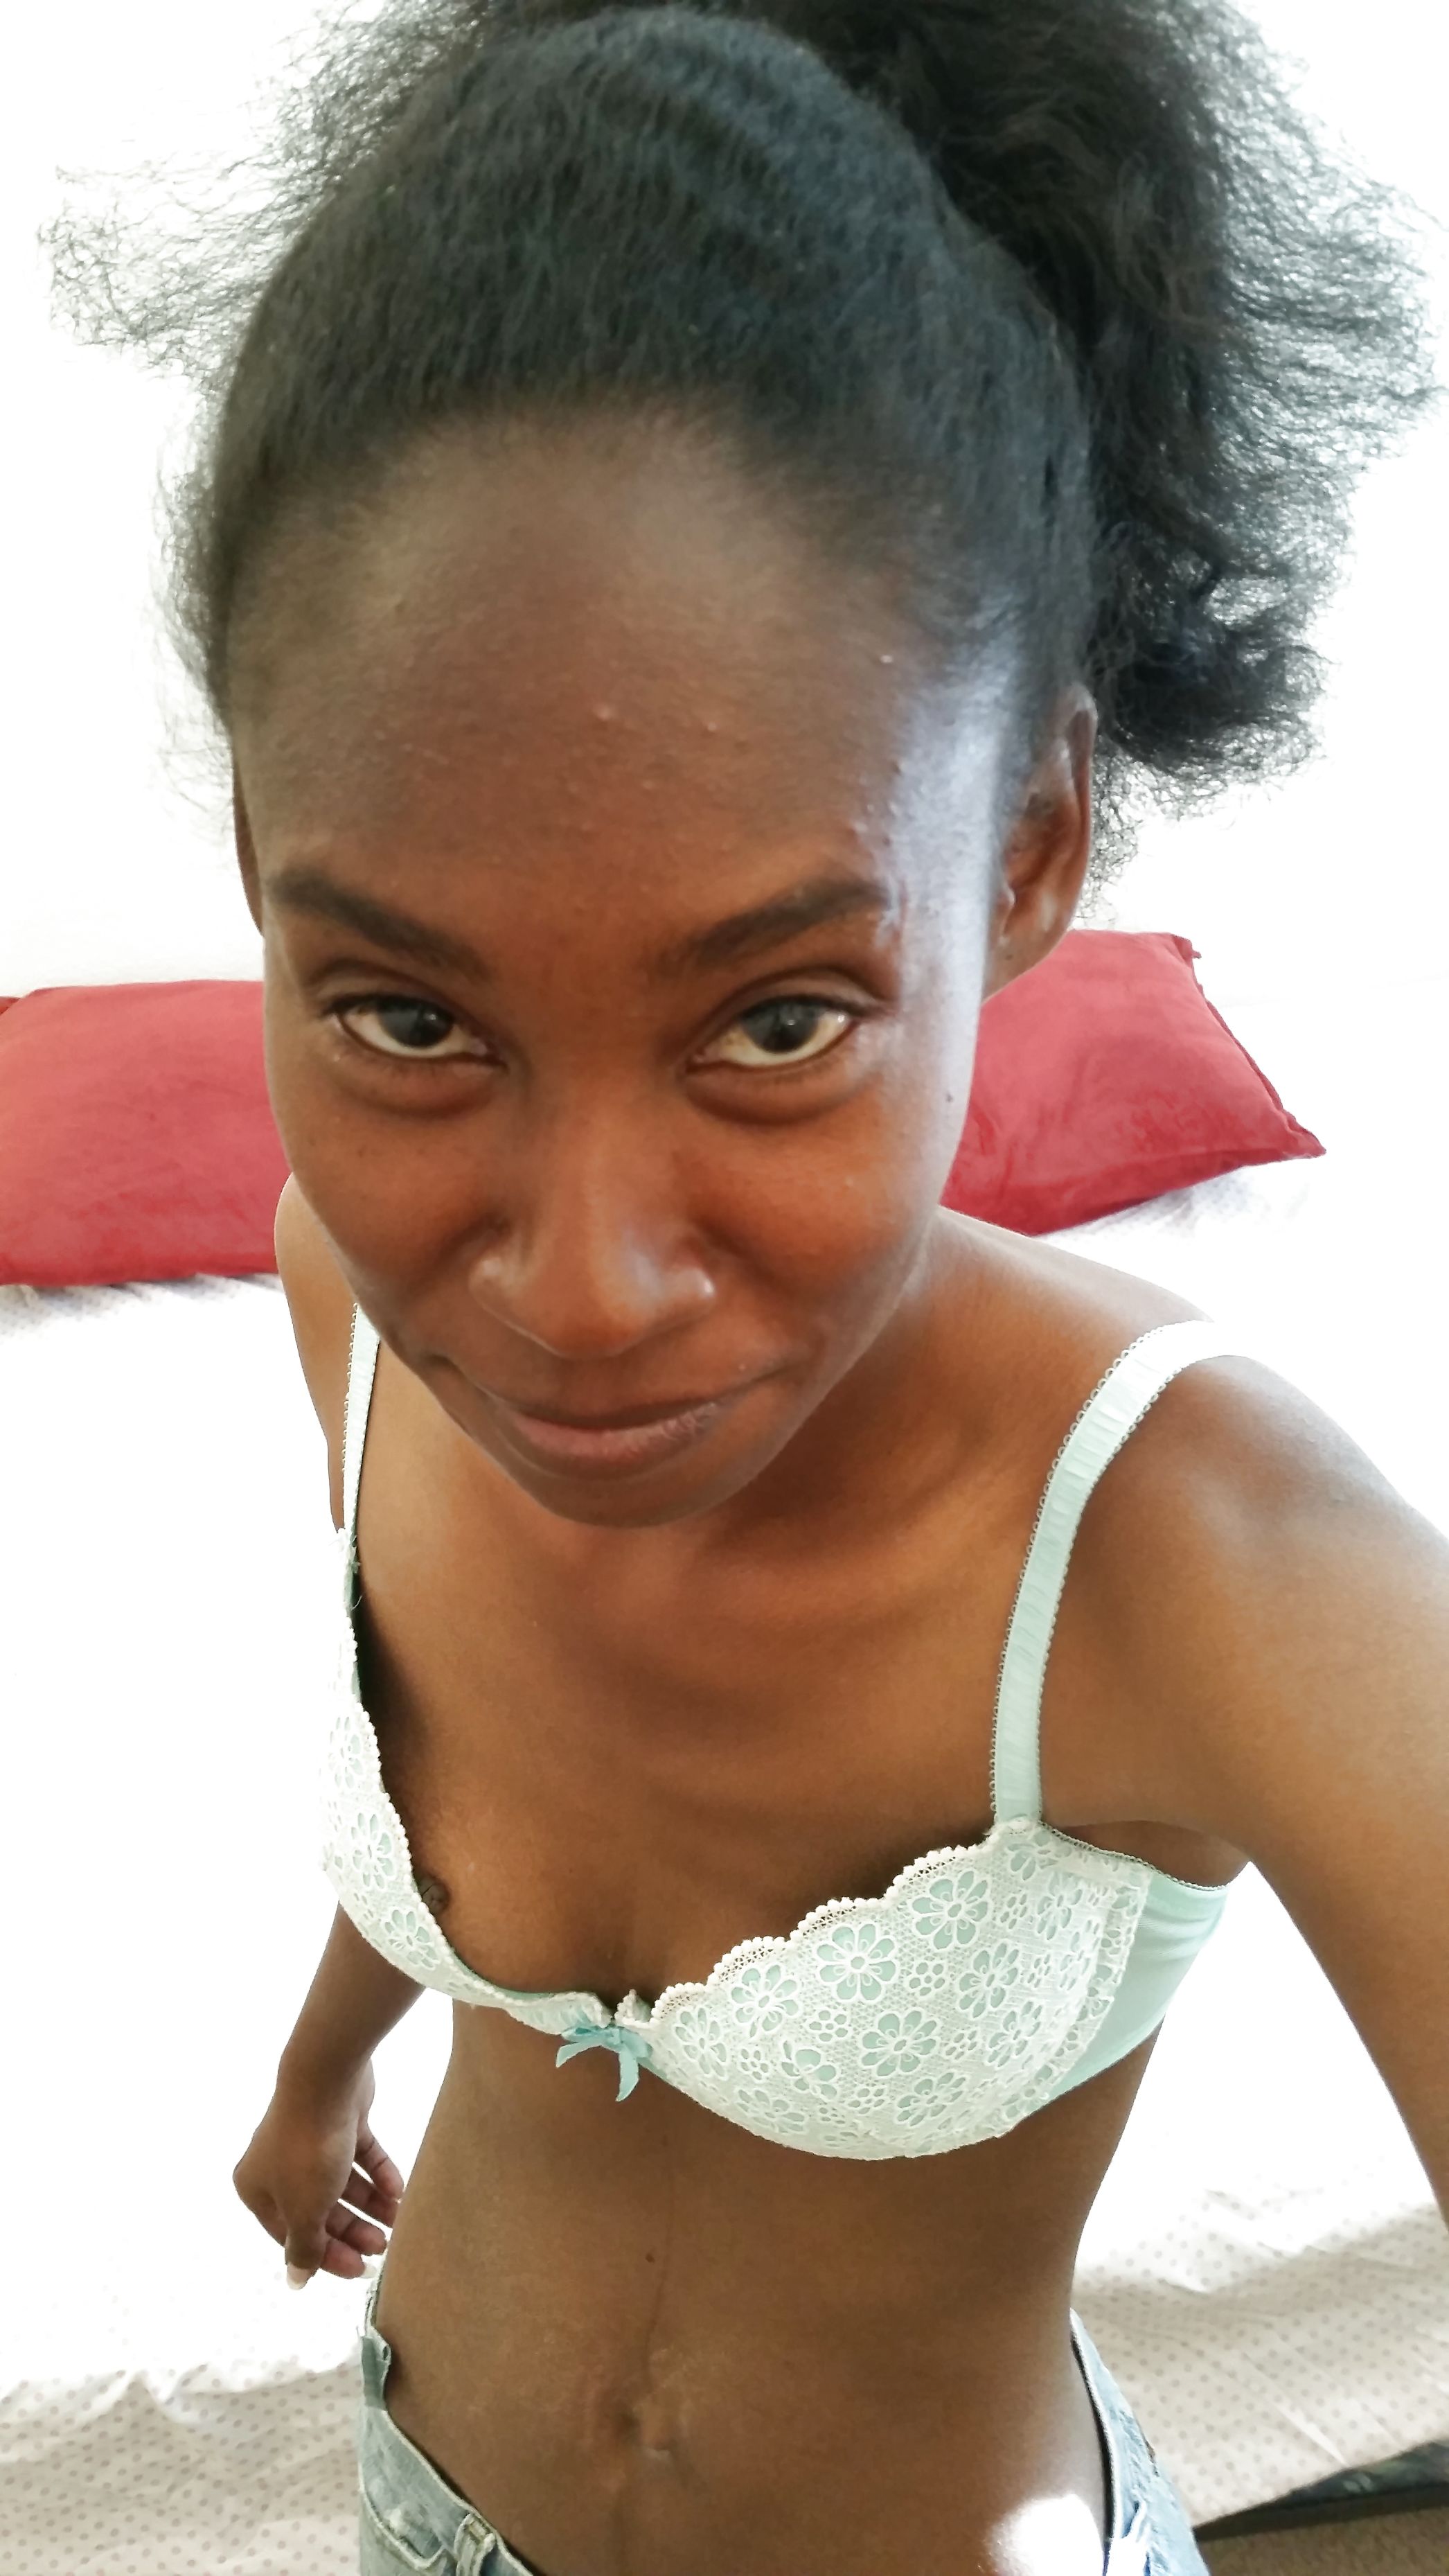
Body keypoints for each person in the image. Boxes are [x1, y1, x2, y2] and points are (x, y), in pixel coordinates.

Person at [64, 0, 1443, 2566]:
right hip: (422, 2495)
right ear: (258, 857)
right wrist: (315, 2070)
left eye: (779, 1021)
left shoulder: (1205, 1559)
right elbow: (456, 1771)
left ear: (1028, 851)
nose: (580, 1295)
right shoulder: (348, 1304)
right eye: (407, 1022)